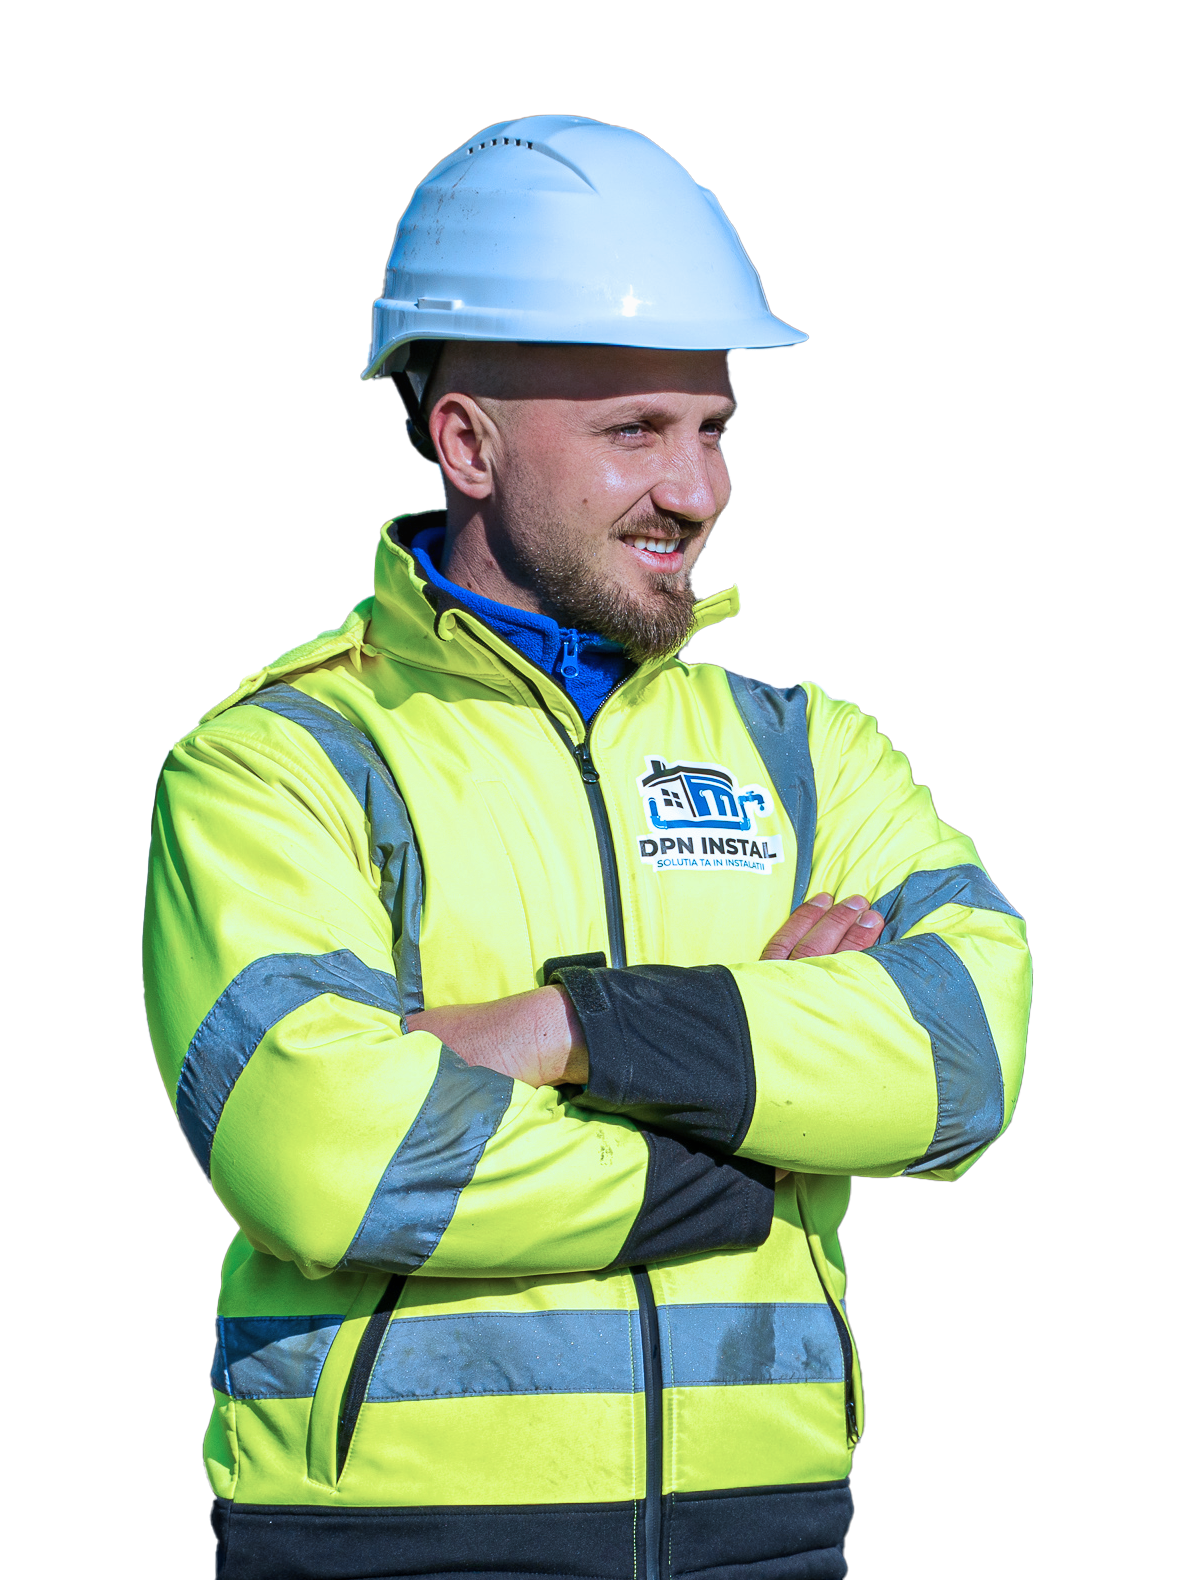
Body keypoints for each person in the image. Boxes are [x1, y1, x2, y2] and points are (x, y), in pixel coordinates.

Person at [143, 115, 1031, 1580]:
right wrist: (755, 1152)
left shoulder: (804, 748)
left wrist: (571, 1031)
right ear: (467, 442)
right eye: (636, 432)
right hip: (391, 1550)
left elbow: (965, 1057)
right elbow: (321, 1153)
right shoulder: (278, 760)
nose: (700, 490)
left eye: (714, 429)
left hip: (768, 1539)